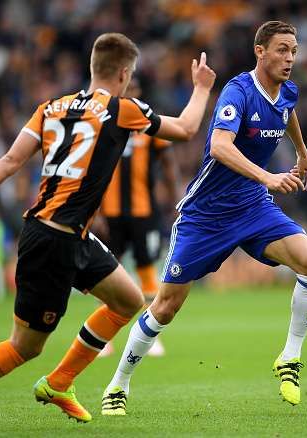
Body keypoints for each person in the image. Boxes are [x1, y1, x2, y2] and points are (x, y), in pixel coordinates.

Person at [0, 32, 215, 432]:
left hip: (72, 235)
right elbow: (188, 128)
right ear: (125, 74)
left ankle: (59, 383)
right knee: (24, 347)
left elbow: (9, 161)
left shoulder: (49, 108)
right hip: (52, 240)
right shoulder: (122, 109)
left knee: (128, 300)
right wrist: (202, 87)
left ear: (94, 68)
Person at [101, 21, 307, 416]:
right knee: (166, 306)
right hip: (205, 215)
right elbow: (220, 146)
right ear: (260, 51)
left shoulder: (288, 90)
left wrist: (302, 154)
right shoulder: (237, 92)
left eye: (294, 50)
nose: (290, 58)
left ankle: (290, 358)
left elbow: (287, 111)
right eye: (282, 50)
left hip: (253, 207)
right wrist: (269, 176)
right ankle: (118, 385)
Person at [97, 78, 180, 358]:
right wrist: (93, 211)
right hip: (110, 214)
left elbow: (168, 165)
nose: (129, 94)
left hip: (144, 213)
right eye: (125, 89)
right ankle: (102, 338)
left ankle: (148, 335)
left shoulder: (150, 125)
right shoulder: (105, 122)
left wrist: (176, 198)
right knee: (107, 274)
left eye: (133, 89)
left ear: (139, 92)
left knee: (146, 270)